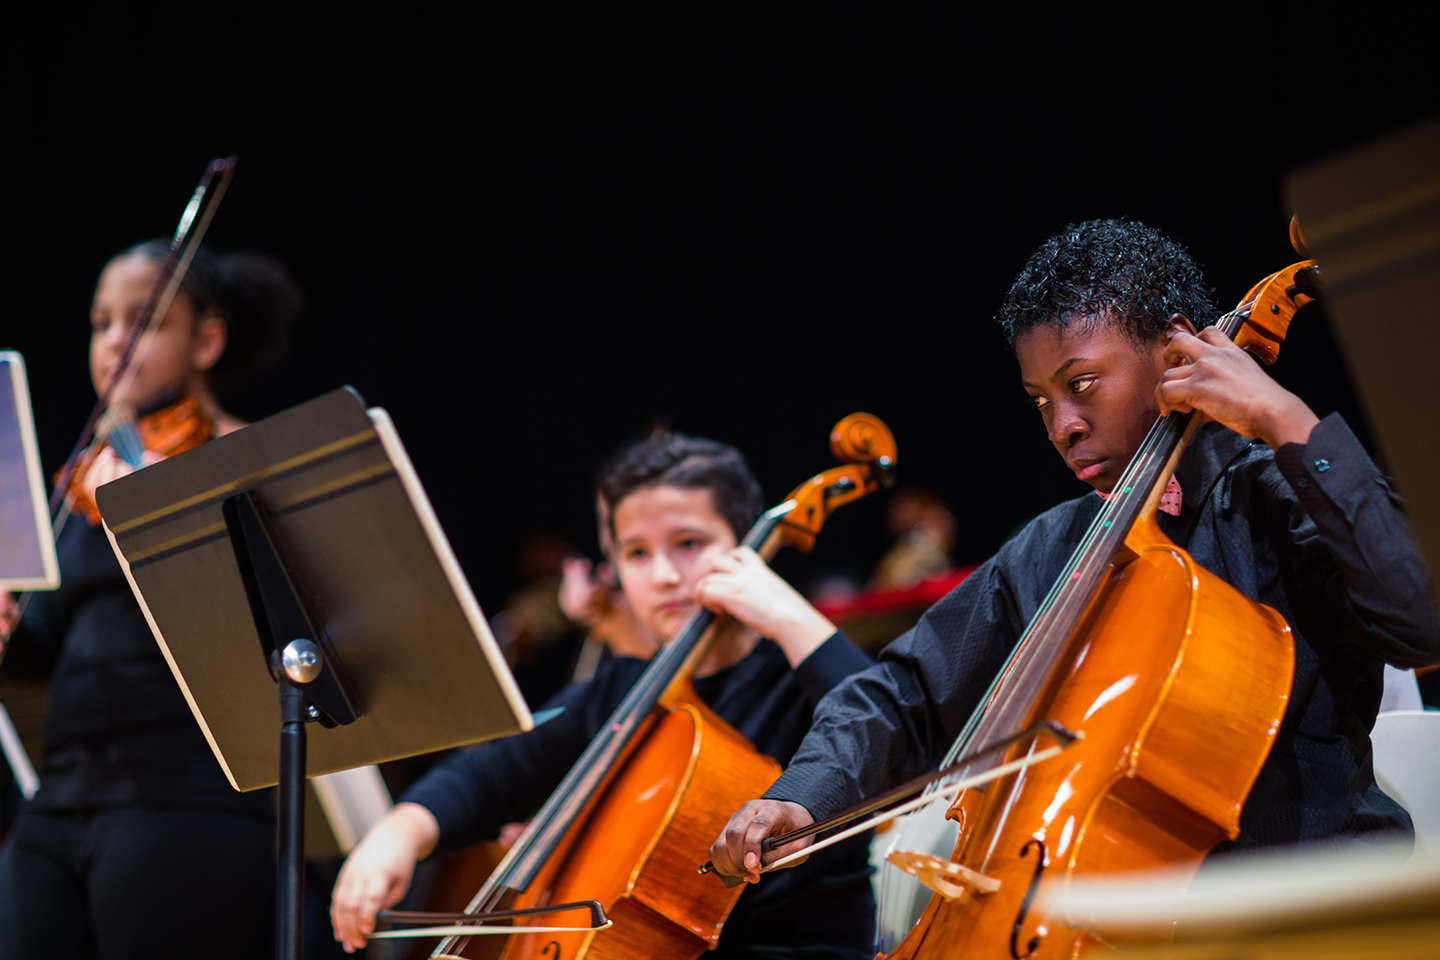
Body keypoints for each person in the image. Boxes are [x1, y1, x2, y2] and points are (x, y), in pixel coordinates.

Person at [708, 218, 1440, 885]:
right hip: (1117, 914)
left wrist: (1282, 416)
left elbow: (1421, 618)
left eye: (1081, 384)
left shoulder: (1279, 494)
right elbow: (900, 694)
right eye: (1040, 401)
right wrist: (798, 799)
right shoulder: (1056, 548)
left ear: (1176, 348)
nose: (1062, 426)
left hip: (1308, 901)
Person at [330, 432, 878, 958]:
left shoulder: (801, 672)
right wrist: (400, 832)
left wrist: (787, 617)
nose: (663, 574)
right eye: (636, 554)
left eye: (689, 544)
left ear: (744, 547)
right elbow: (489, 777)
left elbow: (889, 723)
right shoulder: (625, 689)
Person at [0, 240, 302, 960]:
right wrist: (9, 627)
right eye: (101, 323)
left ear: (207, 338)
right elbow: (48, 638)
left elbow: (274, 628)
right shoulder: (82, 481)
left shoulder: (248, 459)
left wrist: (163, 516)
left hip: (184, 799)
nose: (112, 343)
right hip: (63, 796)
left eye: (142, 321)